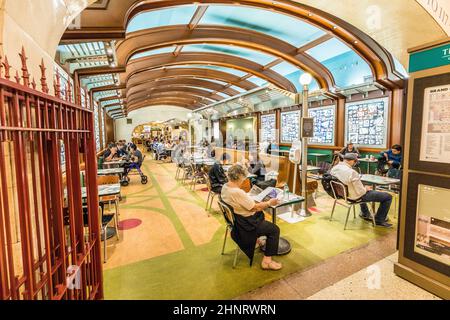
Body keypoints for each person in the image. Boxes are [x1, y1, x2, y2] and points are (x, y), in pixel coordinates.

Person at [221, 164, 282, 270]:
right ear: (239, 176)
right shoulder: (237, 192)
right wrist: (269, 203)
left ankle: (256, 241)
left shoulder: (225, 186)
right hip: (245, 225)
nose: (244, 180)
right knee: (274, 230)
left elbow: (243, 203)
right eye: (243, 178)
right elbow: (255, 208)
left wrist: (248, 198)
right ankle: (267, 261)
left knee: (260, 215)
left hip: (236, 221)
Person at [330, 153, 393, 228]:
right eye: (355, 161)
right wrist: (365, 188)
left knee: (358, 189)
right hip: (354, 197)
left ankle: (365, 213)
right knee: (387, 197)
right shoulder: (352, 172)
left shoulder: (334, 168)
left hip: (342, 195)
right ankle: (379, 220)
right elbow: (361, 192)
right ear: (352, 161)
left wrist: (363, 187)